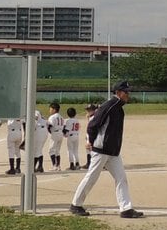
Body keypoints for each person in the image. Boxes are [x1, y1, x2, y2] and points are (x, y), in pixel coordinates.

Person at [69, 81, 143, 218]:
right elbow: (93, 125)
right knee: (91, 176)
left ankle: (126, 209)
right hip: (101, 149)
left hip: (113, 151)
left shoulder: (118, 107)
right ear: (119, 93)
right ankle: (76, 204)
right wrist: (89, 140)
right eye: (126, 92)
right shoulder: (109, 106)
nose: (128, 95)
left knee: (121, 178)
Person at [46, 102, 64, 170]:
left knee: (51, 150)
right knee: (57, 150)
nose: (49, 110)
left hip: (55, 133)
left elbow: (50, 125)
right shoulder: (61, 117)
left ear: (54, 109)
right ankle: (58, 165)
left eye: (50, 109)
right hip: (60, 133)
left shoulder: (52, 117)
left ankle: (54, 165)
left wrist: (48, 130)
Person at [63, 107, 82, 171]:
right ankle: (77, 163)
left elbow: (66, 130)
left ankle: (71, 164)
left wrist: (64, 134)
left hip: (71, 136)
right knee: (75, 151)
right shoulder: (77, 120)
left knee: (70, 150)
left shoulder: (68, 120)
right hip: (76, 135)